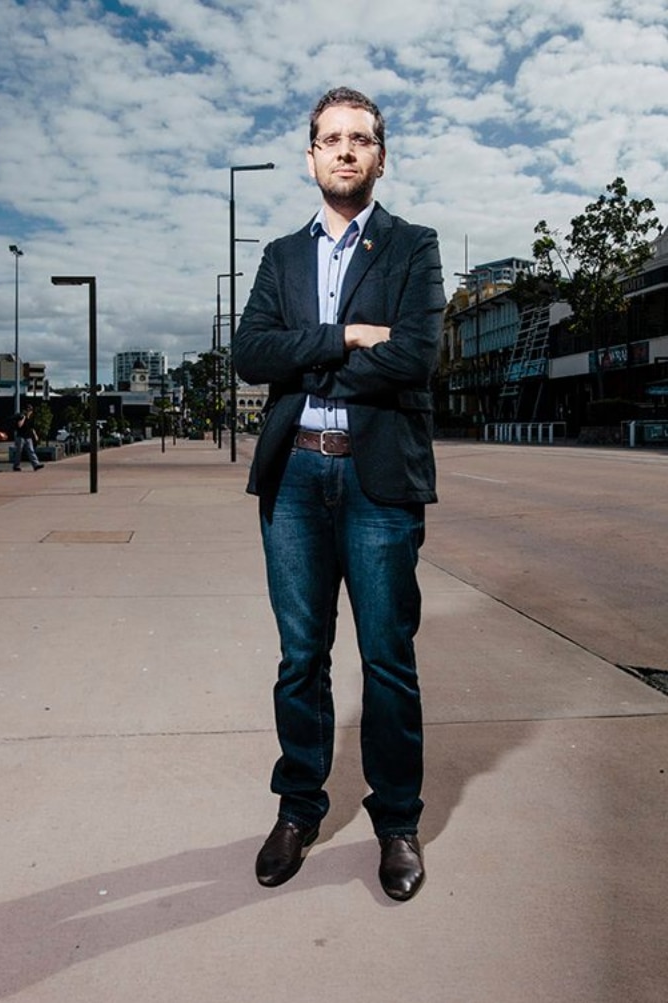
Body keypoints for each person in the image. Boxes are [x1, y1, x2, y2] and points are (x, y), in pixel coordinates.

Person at [234, 87, 445, 901]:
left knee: (388, 660)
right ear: (311, 157)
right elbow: (252, 354)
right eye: (332, 139)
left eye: (362, 139)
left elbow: (417, 356)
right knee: (300, 657)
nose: (347, 150)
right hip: (294, 478)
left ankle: (397, 821)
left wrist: (309, 358)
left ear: (380, 157)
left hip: (377, 477)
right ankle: (298, 807)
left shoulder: (413, 247)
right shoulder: (282, 258)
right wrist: (349, 336)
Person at [13, 404, 44, 471]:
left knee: (31, 450)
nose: (29, 412)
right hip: (21, 436)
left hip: (28, 437)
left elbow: (32, 428)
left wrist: (35, 435)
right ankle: (16, 466)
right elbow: (19, 425)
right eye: (28, 410)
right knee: (19, 451)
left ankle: (36, 465)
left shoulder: (31, 418)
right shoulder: (21, 417)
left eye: (30, 410)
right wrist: (24, 418)